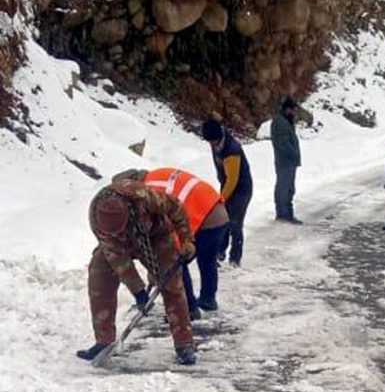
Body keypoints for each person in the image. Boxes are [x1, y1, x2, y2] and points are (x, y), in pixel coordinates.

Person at [77, 180, 197, 365]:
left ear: (126, 214)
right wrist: (139, 292)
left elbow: (175, 207)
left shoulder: (142, 197)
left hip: (156, 237)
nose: (118, 234)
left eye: (120, 230)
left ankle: (184, 344)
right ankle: (104, 341)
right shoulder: (97, 219)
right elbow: (118, 259)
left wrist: (187, 239)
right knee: (99, 274)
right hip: (118, 249)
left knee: (172, 284)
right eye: (114, 233)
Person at [113, 168, 229, 318]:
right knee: (207, 261)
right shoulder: (156, 176)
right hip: (218, 212)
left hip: (204, 217)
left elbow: (168, 224)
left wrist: (164, 261)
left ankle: (188, 309)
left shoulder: (150, 189)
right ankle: (208, 299)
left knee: (176, 262)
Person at [201, 119, 253, 266]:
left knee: (235, 223)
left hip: (242, 189)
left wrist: (221, 199)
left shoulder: (232, 149)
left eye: (212, 141)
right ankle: (219, 251)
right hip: (227, 185)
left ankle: (235, 258)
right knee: (222, 220)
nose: (210, 144)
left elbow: (233, 179)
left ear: (218, 137)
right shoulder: (217, 142)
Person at [271, 96, 302, 224]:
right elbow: (283, 143)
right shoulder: (280, 122)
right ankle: (284, 214)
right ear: (287, 109)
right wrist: (293, 153)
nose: (295, 113)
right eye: (293, 110)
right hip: (285, 161)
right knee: (285, 188)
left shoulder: (285, 121)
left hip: (288, 161)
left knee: (287, 187)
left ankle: (285, 213)